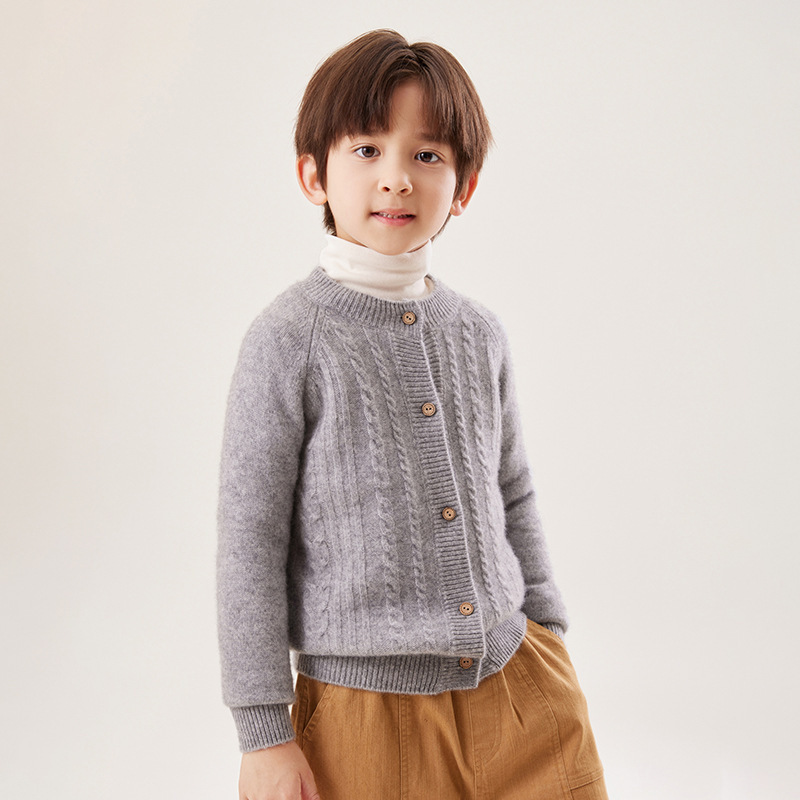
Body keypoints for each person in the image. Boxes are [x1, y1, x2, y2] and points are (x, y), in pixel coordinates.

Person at [217, 29, 608, 800]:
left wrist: (549, 632)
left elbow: (514, 491)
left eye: (426, 155)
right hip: (365, 716)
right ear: (313, 174)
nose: (396, 178)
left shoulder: (479, 332)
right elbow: (249, 541)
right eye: (367, 149)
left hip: (519, 687)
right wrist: (263, 731)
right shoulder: (288, 340)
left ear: (463, 188)